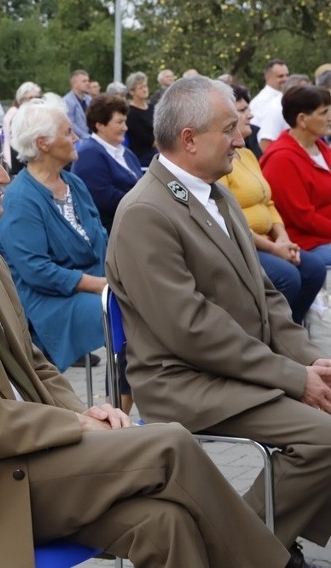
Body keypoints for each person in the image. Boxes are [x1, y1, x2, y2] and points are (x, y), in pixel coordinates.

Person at [0, 99, 292, 568]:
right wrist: (71, 426)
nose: (2, 176)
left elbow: (33, 363)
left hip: (20, 465)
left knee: (165, 523)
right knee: (169, 444)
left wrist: (86, 412)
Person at [106, 76, 331, 566]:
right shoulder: (146, 212)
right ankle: (235, 550)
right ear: (189, 139)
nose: (242, 137)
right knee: (325, 437)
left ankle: (264, 541)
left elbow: (267, 299)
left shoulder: (215, 194)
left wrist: (313, 359)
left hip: (230, 369)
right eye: (229, 128)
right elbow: (191, 328)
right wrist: (294, 378)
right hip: (186, 380)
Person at [0, 98, 108, 374]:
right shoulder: (20, 199)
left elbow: (100, 240)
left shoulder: (74, 184)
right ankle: (119, 404)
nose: (77, 137)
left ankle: (122, 402)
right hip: (47, 301)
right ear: (43, 143)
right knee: (128, 313)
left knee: (147, 301)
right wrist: (101, 284)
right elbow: (36, 271)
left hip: (91, 285)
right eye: (68, 132)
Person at [220, 86, 324, 324]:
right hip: (244, 243)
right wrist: (274, 248)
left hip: (271, 239)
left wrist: (283, 238)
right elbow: (228, 216)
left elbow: (269, 202)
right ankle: (269, 334)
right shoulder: (220, 161)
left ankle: (293, 329)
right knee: (288, 276)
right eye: (243, 110)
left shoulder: (246, 155)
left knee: (313, 269)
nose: (252, 115)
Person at [260, 86, 331, 265]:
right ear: (302, 119)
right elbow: (303, 218)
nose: (329, 118)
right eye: (324, 113)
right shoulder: (282, 159)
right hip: (307, 243)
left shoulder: (320, 148)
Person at [72, 95, 143, 233]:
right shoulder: (89, 155)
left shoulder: (127, 154)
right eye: (119, 122)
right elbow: (105, 199)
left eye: (125, 122)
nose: (125, 128)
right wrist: (147, 202)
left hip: (134, 224)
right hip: (112, 234)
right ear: (100, 125)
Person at [1, 81, 42, 173]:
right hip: (20, 166)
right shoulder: (16, 117)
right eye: (30, 98)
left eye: (37, 97)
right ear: (21, 100)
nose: (34, 100)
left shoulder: (34, 116)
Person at [125, 71, 157, 167]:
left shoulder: (152, 107)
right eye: (141, 88)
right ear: (132, 91)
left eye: (145, 86)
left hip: (157, 150)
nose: (145, 90)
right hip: (142, 156)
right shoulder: (130, 112)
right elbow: (147, 140)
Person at [62, 70, 92, 140]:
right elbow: (71, 123)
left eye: (88, 81)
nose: (87, 83)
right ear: (74, 84)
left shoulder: (89, 99)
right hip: (77, 140)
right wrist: (86, 136)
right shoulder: (67, 101)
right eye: (84, 81)